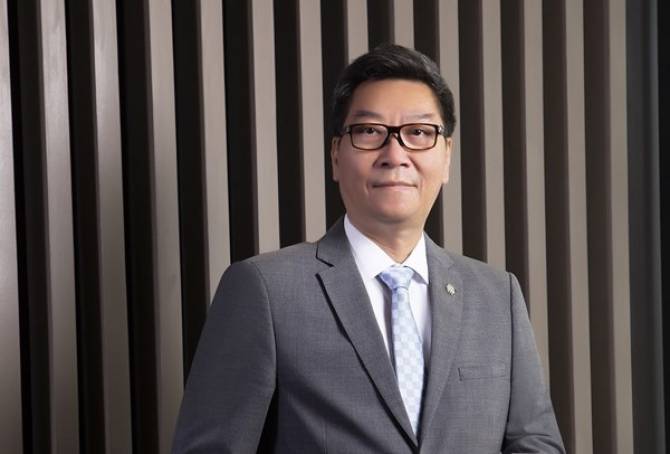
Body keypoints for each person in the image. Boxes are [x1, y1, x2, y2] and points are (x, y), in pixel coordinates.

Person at [172, 43, 565, 453]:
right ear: (336, 155)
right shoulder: (266, 290)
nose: (395, 155)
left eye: (419, 133)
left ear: (446, 155)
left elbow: (535, 444)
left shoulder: (497, 295)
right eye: (370, 132)